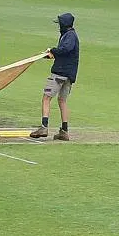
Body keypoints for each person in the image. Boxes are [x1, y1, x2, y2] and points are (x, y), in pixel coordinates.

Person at [33, 13, 79, 141]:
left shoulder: (69, 36)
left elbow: (65, 49)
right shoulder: (70, 35)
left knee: (46, 97)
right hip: (69, 75)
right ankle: (64, 130)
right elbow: (64, 53)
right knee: (62, 101)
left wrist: (52, 50)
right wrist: (51, 54)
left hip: (60, 73)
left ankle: (44, 127)